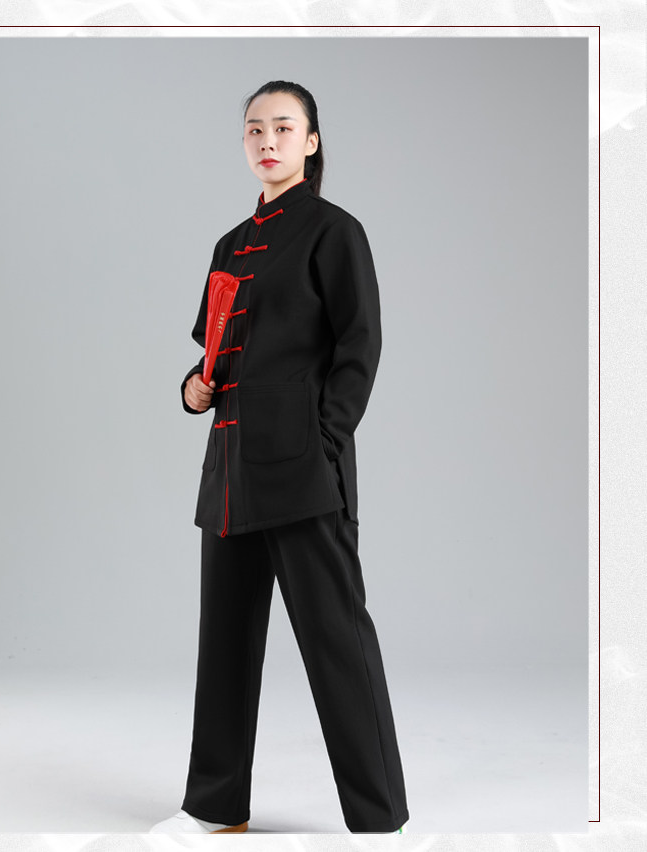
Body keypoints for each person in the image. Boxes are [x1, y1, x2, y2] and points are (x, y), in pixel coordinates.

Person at [149, 80, 409, 835]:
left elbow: (360, 348)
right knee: (224, 645)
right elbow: (219, 357)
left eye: (284, 128)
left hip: (302, 469)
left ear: (311, 142)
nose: (268, 140)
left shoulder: (335, 232)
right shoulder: (230, 245)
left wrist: (323, 442)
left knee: (336, 641)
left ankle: (380, 818)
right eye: (256, 129)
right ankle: (214, 807)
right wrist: (193, 389)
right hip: (230, 471)